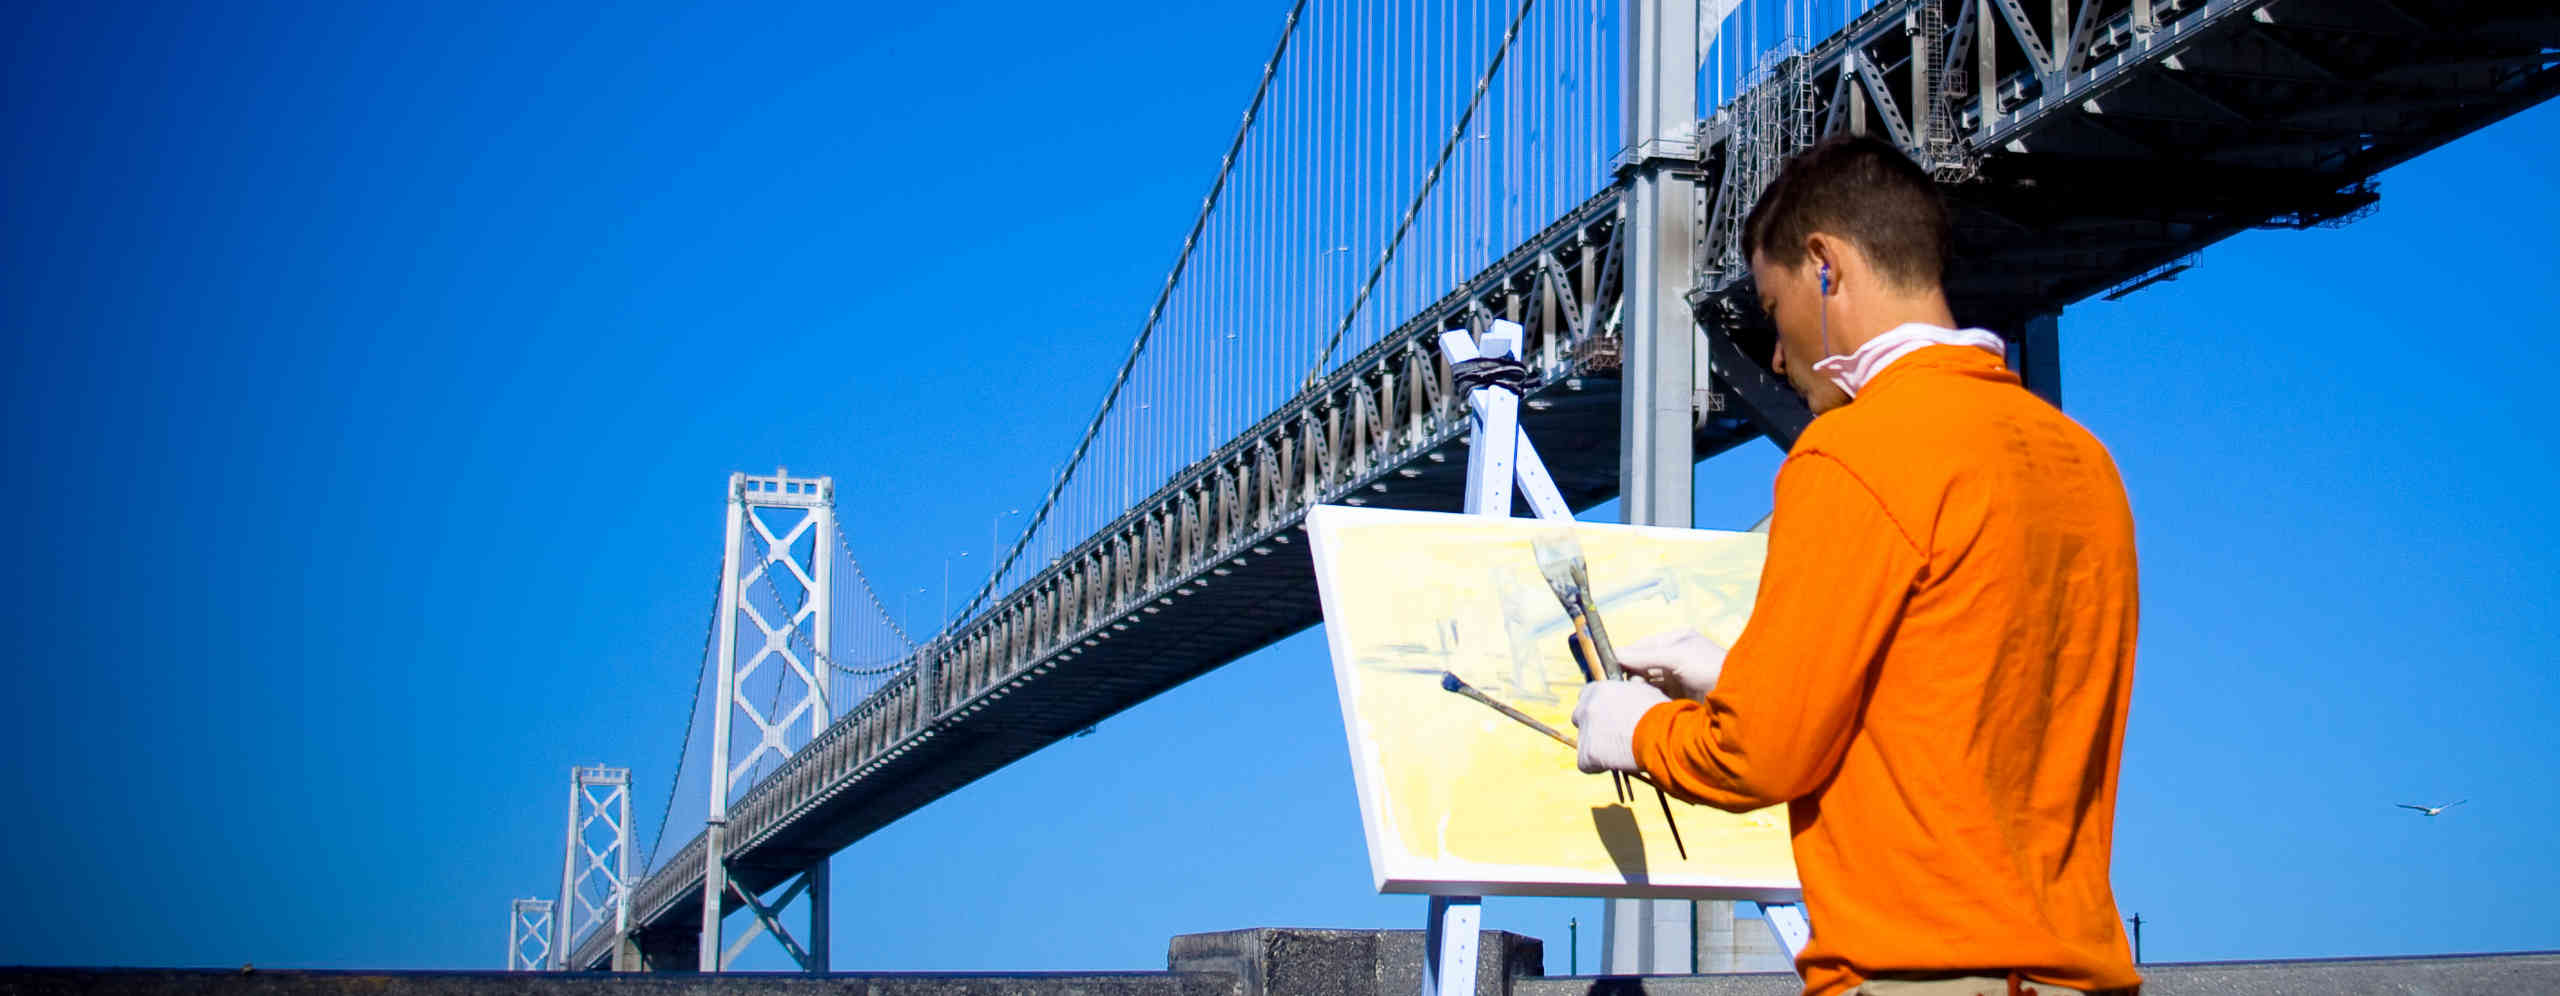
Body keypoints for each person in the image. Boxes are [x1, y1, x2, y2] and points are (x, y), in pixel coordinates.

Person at [1569, 134, 2144, 996]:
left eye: (1772, 308)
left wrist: (1638, 732)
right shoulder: (2082, 461)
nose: (1774, 354)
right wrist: (1740, 677)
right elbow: (1966, 695)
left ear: (1824, 265)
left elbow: (1760, 759)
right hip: (2075, 973)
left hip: (1916, 970)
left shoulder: (1850, 453)